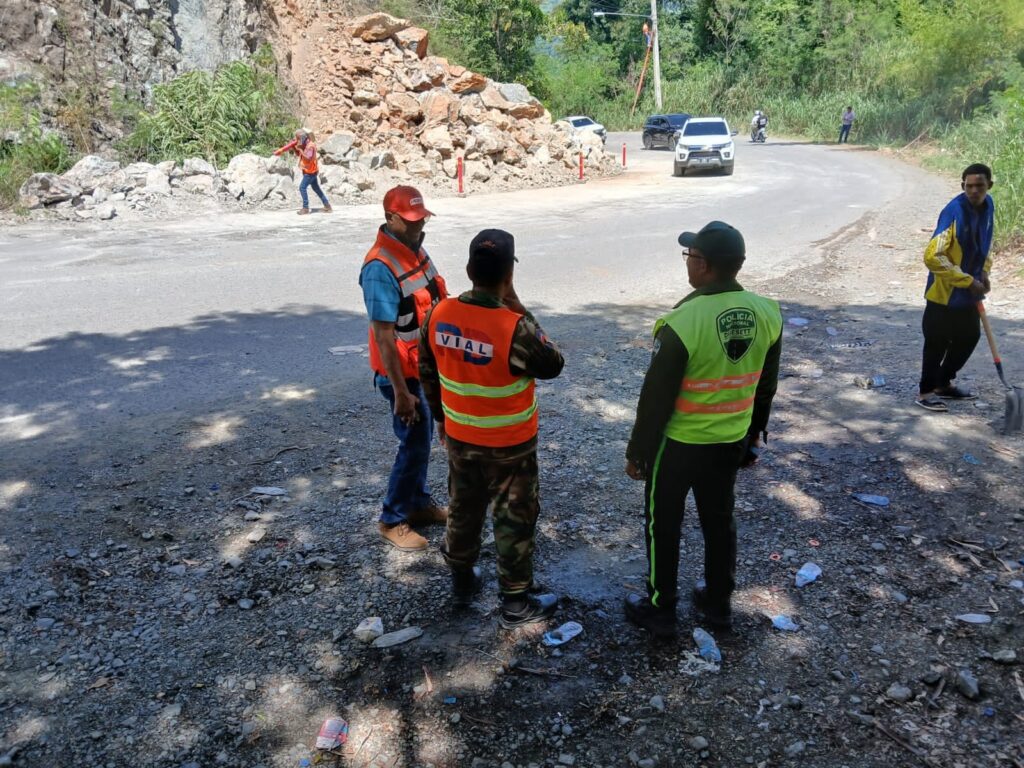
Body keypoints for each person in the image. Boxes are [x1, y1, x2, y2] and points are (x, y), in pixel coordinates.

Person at [623, 221, 783, 638]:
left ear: (705, 266)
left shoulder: (682, 322)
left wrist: (638, 452)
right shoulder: (768, 313)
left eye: (690, 255)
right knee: (719, 520)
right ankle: (718, 604)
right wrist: (753, 437)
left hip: (678, 445)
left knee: (663, 525)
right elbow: (766, 386)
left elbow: (655, 400)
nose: (687, 262)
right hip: (729, 442)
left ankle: (661, 609)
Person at [419, 229, 565, 628]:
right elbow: (553, 363)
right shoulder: (514, 327)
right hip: (510, 446)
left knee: (463, 508)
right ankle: (515, 602)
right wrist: (518, 305)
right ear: (508, 275)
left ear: (469, 270)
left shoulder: (438, 313)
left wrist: (441, 420)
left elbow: (427, 371)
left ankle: (462, 580)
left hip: (460, 438)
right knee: (514, 515)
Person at [359, 186, 449, 550]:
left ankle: (418, 503)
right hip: (401, 375)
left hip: (422, 367)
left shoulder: (415, 249)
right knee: (413, 442)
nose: (418, 225)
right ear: (391, 218)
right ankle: (392, 518)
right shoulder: (379, 267)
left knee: (422, 440)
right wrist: (400, 392)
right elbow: (384, 337)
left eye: (422, 218)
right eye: (411, 220)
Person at [916, 163, 995, 412]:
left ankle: (943, 382)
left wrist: (984, 271)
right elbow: (933, 256)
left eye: (979, 185)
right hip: (944, 292)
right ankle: (926, 392)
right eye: (969, 186)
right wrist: (967, 281)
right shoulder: (953, 211)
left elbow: (986, 242)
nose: (974, 190)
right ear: (963, 186)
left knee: (969, 337)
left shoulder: (988, 206)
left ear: (989, 186)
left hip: (969, 291)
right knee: (936, 342)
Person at [273, 129, 331, 215]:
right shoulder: (305, 145)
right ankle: (327, 206)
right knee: (316, 188)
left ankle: (305, 208)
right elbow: (300, 155)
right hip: (310, 171)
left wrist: (300, 149)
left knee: (302, 188)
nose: (296, 140)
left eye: (297, 138)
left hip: (310, 172)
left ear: (302, 138)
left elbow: (308, 158)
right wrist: (294, 147)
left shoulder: (310, 146)